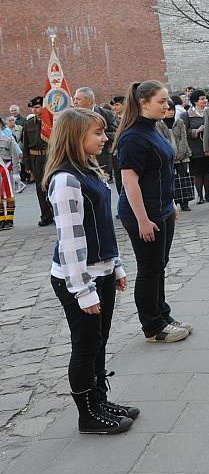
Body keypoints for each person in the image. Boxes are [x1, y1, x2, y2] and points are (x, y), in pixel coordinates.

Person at [44, 108, 137, 434]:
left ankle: (98, 400)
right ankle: (87, 415)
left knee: (99, 340)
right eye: (97, 133)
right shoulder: (66, 179)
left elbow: (103, 227)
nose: (105, 137)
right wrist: (82, 290)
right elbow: (70, 240)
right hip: (78, 275)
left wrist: (117, 265)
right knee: (85, 345)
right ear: (75, 137)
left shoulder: (88, 171)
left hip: (101, 270)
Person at [115, 80, 192, 343]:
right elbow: (130, 181)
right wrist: (143, 220)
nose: (167, 105)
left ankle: (163, 315)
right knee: (149, 269)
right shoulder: (133, 136)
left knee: (160, 265)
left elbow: (161, 170)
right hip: (143, 214)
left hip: (161, 210)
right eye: (161, 101)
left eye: (167, 99)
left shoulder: (153, 129)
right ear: (143, 103)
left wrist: (170, 203)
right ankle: (153, 326)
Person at [21, 96, 54, 226]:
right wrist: (27, 164)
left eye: (37, 107)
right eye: (33, 108)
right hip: (35, 158)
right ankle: (46, 216)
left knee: (53, 185)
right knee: (40, 188)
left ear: (43, 107)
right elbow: (25, 145)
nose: (34, 110)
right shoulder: (28, 123)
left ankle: (56, 213)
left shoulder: (51, 122)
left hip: (50, 156)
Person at [73, 87, 118, 182]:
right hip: (80, 160)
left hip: (101, 159)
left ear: (89, 101)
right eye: (74, 99)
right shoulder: (73, 116)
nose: (75, 102)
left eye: (78, 99)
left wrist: (96, 136)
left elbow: (115, 133)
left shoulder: (106, 114)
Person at [183, 89, 209, 204]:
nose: (205, 100)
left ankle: (208, 195)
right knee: (198, 173)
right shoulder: (186, 115)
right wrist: (197, 131)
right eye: (202, 99)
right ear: (195, 101)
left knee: (208, 172)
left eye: (205, 98)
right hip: (195, 148)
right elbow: (184, 131)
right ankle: (200, 196)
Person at [160, 99, 192, 211]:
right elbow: (161, 140)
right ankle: (173, 203)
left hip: (182, 156)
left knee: (183, 179)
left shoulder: (179, 122)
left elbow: (184, 138)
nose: (171, 112)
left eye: (172, 109)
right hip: (168, 157)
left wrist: (181, 153)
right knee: (170, 180)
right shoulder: (159, 124)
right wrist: (169, 155)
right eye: (168, 110)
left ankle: (185, 203)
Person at [0, 126, 19, 229]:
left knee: (9, 195)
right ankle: (1, 219)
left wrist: (16, 172)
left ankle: (10, 219)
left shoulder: (8, 139)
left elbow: (15, 156)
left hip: (7, 170)